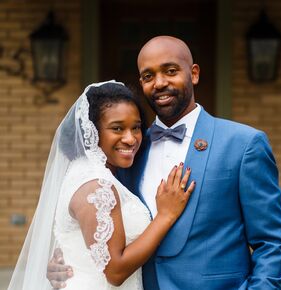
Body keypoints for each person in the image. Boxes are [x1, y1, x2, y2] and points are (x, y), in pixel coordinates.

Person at [48, 36, 281, 290]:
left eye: (171, 71)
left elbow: (272, 243)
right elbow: (102, 233)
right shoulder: (127, 153)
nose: (160, 83)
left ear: (194, 73)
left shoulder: (243, 144)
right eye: (148, 76)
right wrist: (67, 264)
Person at [8, 80, 195, 290]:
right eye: (117, 128)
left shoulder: (88, 171)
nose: (130, 138)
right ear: (92, 132)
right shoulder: (96, 184)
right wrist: (165, 216)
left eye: (136, 128)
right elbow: (115, 271)